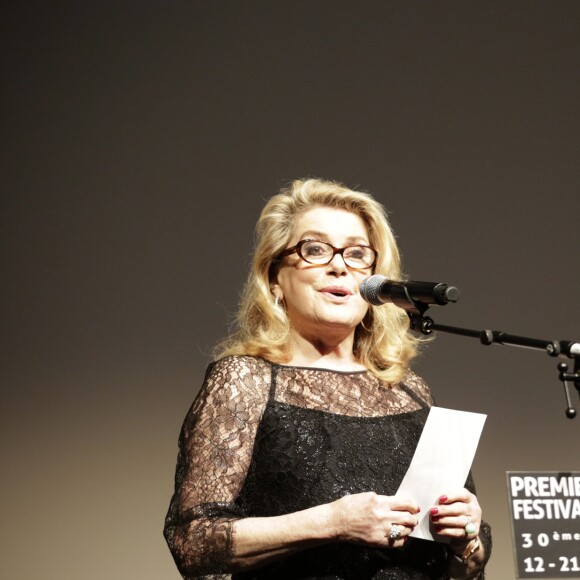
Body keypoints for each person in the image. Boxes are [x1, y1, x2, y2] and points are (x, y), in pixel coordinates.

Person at [164, 178, 492, 579]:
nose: (339, 265)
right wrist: (332, 522)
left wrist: (467, 539)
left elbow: (464, 567)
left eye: (357, 254)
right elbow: (193, 541)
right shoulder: (244, 379)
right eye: (315, 249)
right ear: (274, 280)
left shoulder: (410, 390)